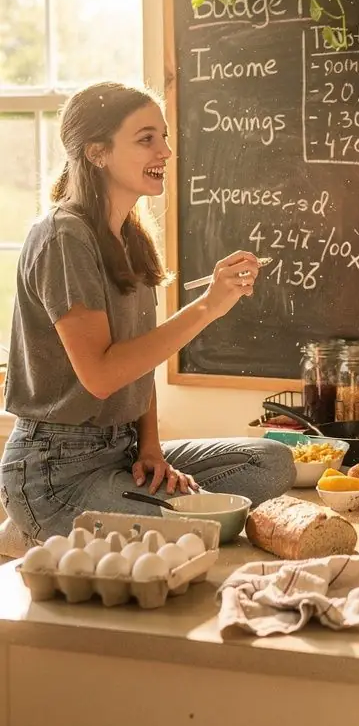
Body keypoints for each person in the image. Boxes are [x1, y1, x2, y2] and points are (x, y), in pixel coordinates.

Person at [0, 83, 294, 543]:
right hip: (56, 471)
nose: (167, 150)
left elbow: (140, 363)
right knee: (196, 531)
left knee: (271, 462)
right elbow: (101, 374)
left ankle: (126, 507)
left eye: (164, 136)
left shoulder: (130, 236)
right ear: (97, 152)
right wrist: (207, 308)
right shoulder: (64, 238)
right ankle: (40, 520)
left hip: (122, 451)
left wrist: (152, 448)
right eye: (146, 139)